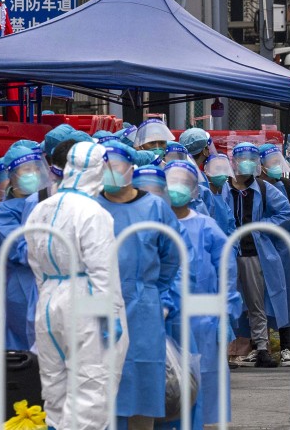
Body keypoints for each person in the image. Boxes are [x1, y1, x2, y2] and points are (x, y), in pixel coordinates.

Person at [26, 142, 129, 430]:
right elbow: (102, 270)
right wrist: (110, 315)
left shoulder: (42, 208)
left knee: (55, 389)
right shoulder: (93, 213)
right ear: (98, 169)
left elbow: (34, 262)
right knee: (92, 391)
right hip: (85, 302)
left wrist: (48, 296)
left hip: (48, 300)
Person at [97, 142, 186, 429]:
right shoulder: (91, 206)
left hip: (144, 305)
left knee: (142, 382)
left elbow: (172, 256)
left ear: (131, 170)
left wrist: (158, 295)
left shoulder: (154, 207)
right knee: (100, 381)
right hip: (98, 304)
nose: (110, 172)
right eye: (104, 166)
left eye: (117, 166)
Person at [165, 162, 241, 426]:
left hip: (205, 318)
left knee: (206, 376)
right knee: (168, 377)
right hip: (165, 314)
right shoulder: (156, 223)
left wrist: (226, 314)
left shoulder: (207, 227)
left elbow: (227, 272)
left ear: (193, 190)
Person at [225, 142, 290, 368]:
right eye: (241, 158)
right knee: (226, 302)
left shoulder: (263, 189)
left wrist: (262, 226)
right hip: (227, 253)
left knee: (256, 303)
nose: (246, 163)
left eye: (251, 159)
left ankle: (262, 347)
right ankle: (226, 349)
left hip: (254, 254)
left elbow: (286, 212)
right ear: (233, 162)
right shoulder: (223, 188)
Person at [258, 144, 290, 365]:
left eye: (276, 162)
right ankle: (262, 346)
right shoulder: (255, 187)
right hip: (261, 249)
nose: (275, 167)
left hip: (285, 251)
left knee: (287, 298)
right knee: (261, 298)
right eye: (270, 163)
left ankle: (288, 347)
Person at [0, 144, 48, 350]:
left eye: (36, 168)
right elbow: (23, 250)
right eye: (26, 170)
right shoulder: (0, 214)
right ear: (12, 176)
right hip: (19, 288)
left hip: (48, 286)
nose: (33, 174)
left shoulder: (47, 203)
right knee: (24, 350)